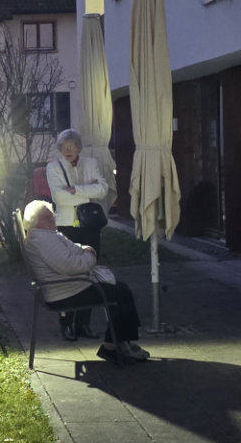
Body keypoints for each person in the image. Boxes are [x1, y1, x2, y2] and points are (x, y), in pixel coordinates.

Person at [19, 201, 148, 363]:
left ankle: (121, 343)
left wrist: (85, 249)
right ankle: (112, 347)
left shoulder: (46, 235)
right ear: (33, 222)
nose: (52, 219)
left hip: (69, 287)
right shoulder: (44, 240)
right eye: (46, 217)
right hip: (65, 293)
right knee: (121, 293)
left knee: (119, 290)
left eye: (52, 216)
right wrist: (91, 256)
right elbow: (71, 266)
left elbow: (72, 250)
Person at [46, 128, 112, 257]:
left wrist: (76, 190)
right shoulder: (53, 167)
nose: (67, 151)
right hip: (66, 224)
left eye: (71, 146)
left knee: (92, 259)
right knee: (71, 261)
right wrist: (90, 193)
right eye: (63, 148)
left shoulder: (90, 163)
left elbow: (103, 190)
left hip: (90, 221)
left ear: (78, 147)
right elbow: (59, 198)